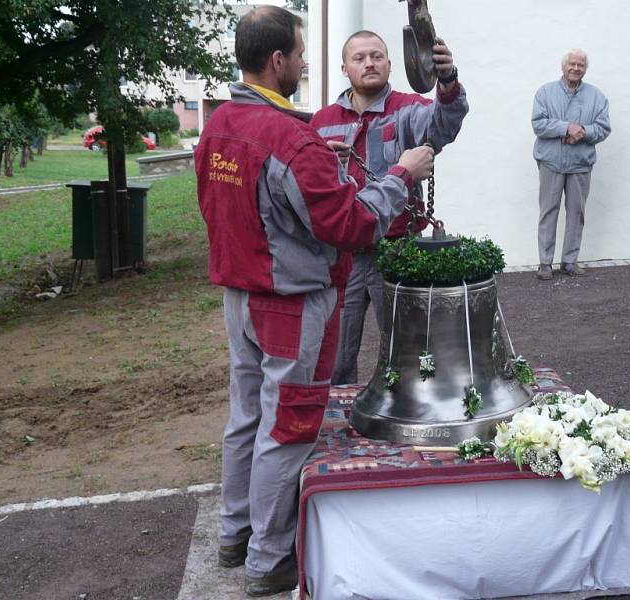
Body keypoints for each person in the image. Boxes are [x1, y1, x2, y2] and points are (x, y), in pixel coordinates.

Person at [194, 6, 435, 597]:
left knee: (246, 416)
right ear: (277, 61)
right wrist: (401, 176)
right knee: (288, 427)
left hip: (240, 297)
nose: (305, 63)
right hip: (289, 304)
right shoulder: (290, 139)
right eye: (301, 54)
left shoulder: (218, 125)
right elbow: (349, 224)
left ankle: (236, 532)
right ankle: (269, 559)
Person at [310, 29, 468, 384]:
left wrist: (447, 80)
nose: (369, 63)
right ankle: (336, 421)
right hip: (342, 257)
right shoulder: (321, 122)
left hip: (396, 251)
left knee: (408, 349)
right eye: (359, 57)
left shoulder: (410, 109)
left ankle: (408, 418)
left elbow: (442, 125)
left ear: (390, 64)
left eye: (376, 56)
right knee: (334, 352)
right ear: (344, 68)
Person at [532, 48, 610, 280]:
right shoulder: (545, 93)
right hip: (551, 162)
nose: (576, 68)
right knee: (548, 212)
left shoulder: (597, 96)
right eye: (572, 64)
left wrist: (583, 132)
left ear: (585, 69)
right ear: (563, 66)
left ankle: (569, 261)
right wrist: (566, 128)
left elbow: (604, 127)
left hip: (580, 164)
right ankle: (545, 263)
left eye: (581, 65)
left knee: (576, 213)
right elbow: (538, 124)